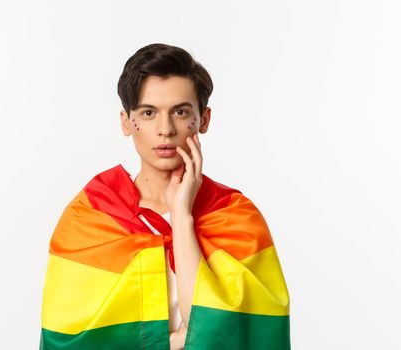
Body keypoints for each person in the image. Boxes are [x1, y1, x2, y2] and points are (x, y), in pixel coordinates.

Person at [39, 43, 291, 350]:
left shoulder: (236, 217)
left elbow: (235, 336)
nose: (165, 129)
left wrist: (182, 216)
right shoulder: (90, 216)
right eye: (148, 113)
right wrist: (171, 343)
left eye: (181, 111)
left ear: (204, 119)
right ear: (126, 122)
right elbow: (70, 341)